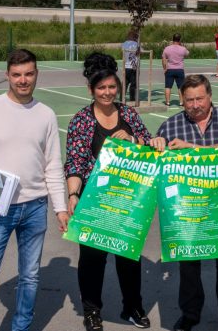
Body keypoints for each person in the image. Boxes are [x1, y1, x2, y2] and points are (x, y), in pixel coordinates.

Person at [0, 48, 69, 331]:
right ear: (7, 75)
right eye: (16, 74)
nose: (22, 80)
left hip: (35, 208)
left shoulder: (46, 115)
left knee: (30, 279)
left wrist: (61, 207)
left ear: (36, 75)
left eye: (28, 74)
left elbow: (53, 165)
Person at [64, 52, 167, 331]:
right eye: (101, 88)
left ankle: (132, 307)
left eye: (112, 87)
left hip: (129, 202)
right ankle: (91, 311)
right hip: (94, 201)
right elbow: (74, 162)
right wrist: (73, 195)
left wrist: (135, 139)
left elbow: (149, 145)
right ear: (91, 89)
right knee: (92, 260)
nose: (108, 93)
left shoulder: (129, 114)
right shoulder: (81, 121)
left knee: (128, 257)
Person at [156, 74, 218, 331]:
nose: (195, 105)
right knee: (189, 266)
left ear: (210, 96)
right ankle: (190, 314)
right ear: (182, 100)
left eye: (199, 98)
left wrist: (191, 148)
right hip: (187, 211)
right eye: (189, 100)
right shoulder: (170, 127)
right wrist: (154, 144)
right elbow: (156, 167)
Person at [162, 33, 190, 107]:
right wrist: (183, 47)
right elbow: (188, 54)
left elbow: (164, 59)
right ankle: (181, 102)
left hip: (170, 69)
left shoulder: (167, 48)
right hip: (179, 69)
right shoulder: (182, 49)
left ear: (172, 39)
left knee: (168, 86)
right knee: (180, 87)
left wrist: (164, 68)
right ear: (179, 40)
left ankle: (167, 102)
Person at [122, 29, 140, 102]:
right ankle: (132, 99)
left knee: (125, 83)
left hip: (126, 65)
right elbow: (139, 52)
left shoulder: (124, 43)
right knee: (133, 84)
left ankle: (122, 97)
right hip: (133, 66)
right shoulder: (136, 44)